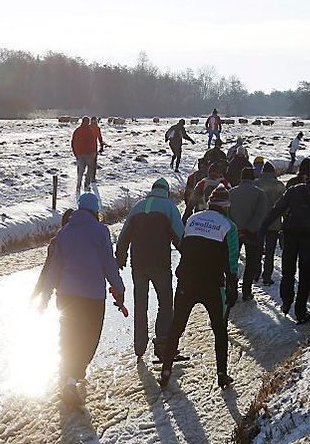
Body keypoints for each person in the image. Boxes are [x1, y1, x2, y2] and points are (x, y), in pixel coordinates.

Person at [34, 192, 126, 405]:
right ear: (95, 211)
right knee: (89, 338)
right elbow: (108, 264)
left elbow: (53, 270)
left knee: (68, 337)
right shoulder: (101, 231)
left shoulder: (64, 233)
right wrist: (119, 287)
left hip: (66, 296)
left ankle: (69, 376)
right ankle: (72, 378)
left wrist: (44, 299)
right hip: (92, 297)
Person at [158, 185, 238, 390]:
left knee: (177, 326)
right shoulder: (229, 226)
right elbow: (232, 260)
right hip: (212, 284)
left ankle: (166, 370)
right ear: (226, 206)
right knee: (219, 329)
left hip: (187, 280)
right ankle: (221, 374)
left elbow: (184, 247)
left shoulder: (193, 219)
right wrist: (232, 286)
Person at [115, 178, 184, 361]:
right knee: (165, 303)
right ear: (166, 191)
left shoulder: (138, 207)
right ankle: (162, 345)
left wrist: (120, 258)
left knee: (141, 304)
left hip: (138, 264)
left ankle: (139, 348)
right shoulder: (170, 207)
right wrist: (188, 257)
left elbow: (123, 236)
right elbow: (180, 236)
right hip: (160, 263)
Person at [259, 169, 310, 324]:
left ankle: (286, 301)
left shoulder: (295, 190)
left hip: (290, 235)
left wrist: (264, 227)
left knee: (288, 271)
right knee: (305, 275)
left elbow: (277, 209)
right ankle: (300, 312)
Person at [228, 167, 269, 301]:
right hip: (252, 233)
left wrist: (236, 230)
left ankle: (232, 291)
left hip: (234, 233)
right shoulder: (260, 194)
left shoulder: (231, 192)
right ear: (253, 178)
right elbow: (260, 214)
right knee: (251, 263)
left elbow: (227, 213)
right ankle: (246, 291)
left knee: (232, 261)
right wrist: (248, 229)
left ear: (241, 177)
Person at [255, 162, 286, 285]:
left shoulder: (256, 183)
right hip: (274, 223)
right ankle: (267, 277)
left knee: (257, 249)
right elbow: (285, 205)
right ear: (273, 172)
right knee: (270, 252)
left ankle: (256, 274)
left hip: (258, 223)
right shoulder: (279, 185)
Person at [72, 117, 99, 193]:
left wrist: (75, 153)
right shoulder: (90, 131)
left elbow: (73, 142)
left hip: (80, 154)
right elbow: (93, 142)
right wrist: (94, 152)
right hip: (89, 154)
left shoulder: (77, 130)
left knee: (80, 171)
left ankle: (78, 186)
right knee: (90, 170)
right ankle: (86, 185)